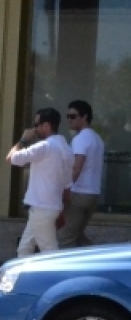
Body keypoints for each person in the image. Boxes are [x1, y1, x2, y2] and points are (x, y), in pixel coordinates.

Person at [7, 107, 74, 256]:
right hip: (50, 208)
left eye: (36, 125)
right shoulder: (67, 149)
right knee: (24, 248)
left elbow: (11, 158)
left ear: (46, 126)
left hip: (42, 208)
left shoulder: (45, 146)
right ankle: (25, 278)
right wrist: (61, 209)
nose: (34, 129)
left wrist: (23, 139)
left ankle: (60, 278)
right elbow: (67, 186)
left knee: (50, 253)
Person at [60, 99, 103, 248]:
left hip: (78, 193)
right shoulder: (97, 138)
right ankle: (97, 260)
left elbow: (77, 166)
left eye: (73, 116)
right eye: (68, 117)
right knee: (78, 235)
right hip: (93, 193)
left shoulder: (80, 139)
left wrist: (65, 189)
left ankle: (65, 270)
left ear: (85, 117)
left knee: (65, 237)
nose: (69, 120)